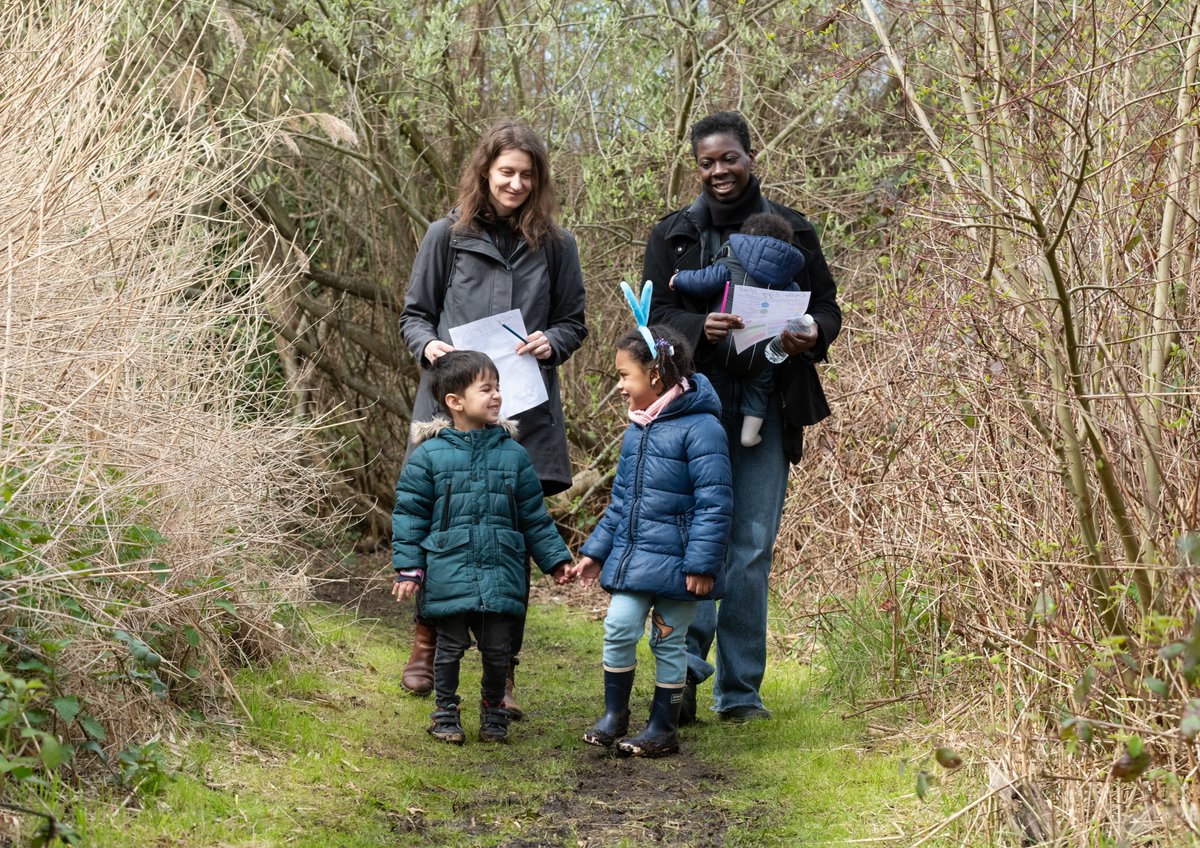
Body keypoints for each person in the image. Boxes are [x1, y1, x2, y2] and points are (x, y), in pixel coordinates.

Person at [645, 111, 841, 723]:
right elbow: (650, 320)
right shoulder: (672, 234)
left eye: (729, 158)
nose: (718, 171)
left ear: (750, 157)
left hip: (768, 404)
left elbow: (828, 309)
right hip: (690, 408)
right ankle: (678, 682)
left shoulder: (794, 230)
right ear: (695, 167)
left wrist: (813, 333)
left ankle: (740, 694)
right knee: (689, 542)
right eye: (706, 162)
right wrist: (695, 327)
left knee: (750, 548)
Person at [398, 120, 587, 716]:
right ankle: (427, 643)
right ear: (485, 172)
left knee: (509, 536)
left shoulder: (558, 244)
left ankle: (503, 679)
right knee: (442, 524)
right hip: (449, 409)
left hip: (522, 410)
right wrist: (428, 347)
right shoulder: (444, 236)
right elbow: (413, 316)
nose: (516, 183)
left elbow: (574, 322)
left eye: (527, 175)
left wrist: (549, 342)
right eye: (506, 171)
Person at [390, 350, 573, 744]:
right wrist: (409, 568)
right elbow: (410, 514)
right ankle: (445, 713)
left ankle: (493, 713)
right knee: (450, 647)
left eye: (498, 388)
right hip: (448, 567)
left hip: (499, 567)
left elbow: (533, 517)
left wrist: (556, 561)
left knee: (497, 649)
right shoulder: (428, 457)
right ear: (455, 402)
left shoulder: (515, 455)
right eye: (486, 389)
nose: (497, 397)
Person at [571, 324, 732, 757]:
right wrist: (595, 552)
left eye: (625, 376)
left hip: (681, 566)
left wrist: (702, 564)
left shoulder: (703, 429)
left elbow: (715, 503)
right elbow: (621, 502)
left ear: (656, 374)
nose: (620, 386)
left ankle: (663, 727)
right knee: (619, 626)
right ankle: (614, 715)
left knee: (667, 640)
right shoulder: (637, 430)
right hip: (634, 560)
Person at [669, 211, 806, 448]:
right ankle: (749, 436)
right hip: (763, 352)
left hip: (725, 344)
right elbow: (797, 313)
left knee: (716, 382)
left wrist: (678, 279)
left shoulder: (730, 261)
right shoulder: (788, 278)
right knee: (761, 387)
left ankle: (716, 429)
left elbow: (705, 281)